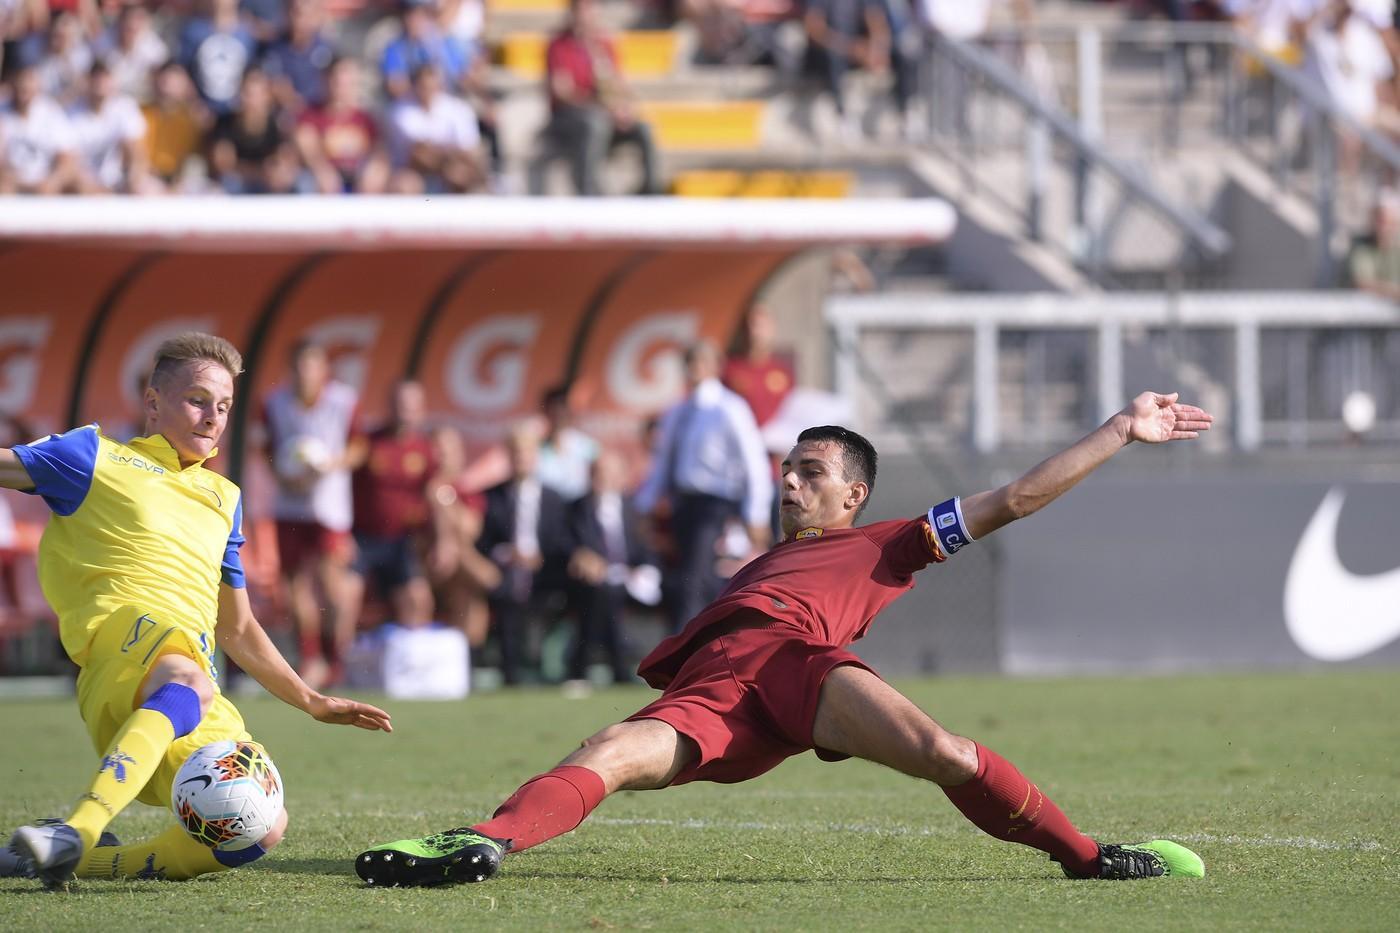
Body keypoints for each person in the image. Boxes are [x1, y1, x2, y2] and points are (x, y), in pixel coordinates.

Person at [356, 391, 1214, 888]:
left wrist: (1118, 429)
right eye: (787, 470)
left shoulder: (886, 542)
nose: (791, 482)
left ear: (854, 496)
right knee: (611, 748)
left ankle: (1090, 857)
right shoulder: (761, 559)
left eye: (812, 472)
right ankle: (480, 839)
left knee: (943, 751)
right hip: (718, 694)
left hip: (800, 666)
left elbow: (1018, 498)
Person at [0, 332, 390, 888]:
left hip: (186, 683)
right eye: (198, 400)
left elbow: (236, 626)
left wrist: (311, 700)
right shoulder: (94, 456)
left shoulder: (224, 497)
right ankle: (80, 827)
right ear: (153, 402)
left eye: (225, 406)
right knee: (187, 673)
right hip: (120, 646)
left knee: (259, 826)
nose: (213, 417)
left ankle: (62, 857)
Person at [634, 339, 773, 634]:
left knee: (694, 577)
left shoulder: (730, 409)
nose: (694, 370)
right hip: (683, 503)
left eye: (700, 362)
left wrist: (756, 513)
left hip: (715, 502)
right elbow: (663, 466)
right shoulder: (677, 412)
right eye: (690, 363)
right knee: (696, 575)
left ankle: (685, 648)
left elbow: (754, 463)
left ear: (714, 367)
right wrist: (644, 506)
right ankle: (712, 641)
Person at [262, 338, 365, 690]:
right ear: (291, 369)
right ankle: (311, 659)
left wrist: (330, 464)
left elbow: (358, 448)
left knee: (331, 584)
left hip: (329, 507)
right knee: (295, 587)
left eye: (314, 365)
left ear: (324, 370)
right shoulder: (274, 403)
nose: (307, 373)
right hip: (290, 505)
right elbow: (267, 449)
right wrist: (284, 473)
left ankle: (336, 659)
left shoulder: (343, 402)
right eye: (300, 366)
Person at [476, 422, 571, 685]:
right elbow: (484, 542)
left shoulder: (553, 499)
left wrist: (540, 557)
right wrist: (507, 553)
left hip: (545, 572)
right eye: (516, 454)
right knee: (508, 593)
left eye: (527, 454)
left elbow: (561, 540)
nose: (522, 460)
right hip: (506, 570)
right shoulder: (492, 496)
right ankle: (511, 672)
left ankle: (555, 668)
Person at [538, 0, 659, 196]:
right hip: (569, 117)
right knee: (596, 123)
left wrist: (624, 109)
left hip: (603, 112)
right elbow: (561, 91)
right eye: (582, 11)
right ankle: (589, 192)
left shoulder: (603, 45)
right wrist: (601, 106)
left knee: (643, 128)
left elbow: (619, 85)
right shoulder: (559, 44)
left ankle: (651, 192)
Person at [565, 449, 658, 687]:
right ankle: (616, 664)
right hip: (594, 581)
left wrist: (641, 570)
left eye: (606, 473)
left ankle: (587, 662)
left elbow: (645, 551)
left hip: (630, 578)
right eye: (596, 473)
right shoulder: (578, 509)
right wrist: (582, 557)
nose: (601, 479)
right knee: (603, 593)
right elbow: (570, 545)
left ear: (620, 477)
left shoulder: (633, 510)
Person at [350, 380, 437, 630]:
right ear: (389, 406)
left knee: (418, 599)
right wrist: (344, 534)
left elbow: (435, 495)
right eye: (400, 405)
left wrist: (442, 540)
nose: (405, 412)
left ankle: (414, 663)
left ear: (422, 410)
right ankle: (340, 662)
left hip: (403, 542)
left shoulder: (426, 449)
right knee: (345, 594)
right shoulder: (368, 442)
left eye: (411, 406)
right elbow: (342, 488)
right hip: (363, 539)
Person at [294, 55, 390, 193]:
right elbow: (307, 146)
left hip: (359, 178)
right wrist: (322, 170)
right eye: (338, 80)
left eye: (348, 81)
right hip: (325, 179)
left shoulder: (366, 119)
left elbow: (380, 152)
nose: (342, 86)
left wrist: (374, 170)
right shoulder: (310, 116)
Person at [386, 62, 486, 193]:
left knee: (461, 174)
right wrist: (447, 158)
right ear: (415, 86)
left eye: (433, 86)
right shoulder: (401, 112)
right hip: (412, 171)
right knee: (406, 184)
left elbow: (468, 150)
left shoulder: (458, 109)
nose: (428, 91)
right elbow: (419, 154)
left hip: (453, 167)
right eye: (424, 87)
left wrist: (447, 160)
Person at [208, 65, 299, 194]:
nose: (250, 100)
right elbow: (223, 165)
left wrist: (277, 171)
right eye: (247, 93)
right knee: (230, 182)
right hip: (241, 182)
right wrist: (259, 172)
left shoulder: (278, 125)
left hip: (269, 182)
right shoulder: (224, 123)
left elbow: (286, 161)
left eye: (257, 94)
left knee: (298, 181)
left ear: (267, 97)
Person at [70, 60, 153, 194]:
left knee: (145, 189)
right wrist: (92, 189)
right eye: (96, 77)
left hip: (118, 184)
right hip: (83, 186)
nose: (100, 82)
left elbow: (136, 152)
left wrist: (133, 180)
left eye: (105, 77)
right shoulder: (72, 113)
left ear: (113, 81)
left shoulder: (125, 107)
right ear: (87, 81)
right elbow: (69, 161)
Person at [0, 63, 81, 194]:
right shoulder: (2, 111)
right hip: (10, 181)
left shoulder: (50, 112)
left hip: (44, 183)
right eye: (20, 83)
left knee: (76, 182)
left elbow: (67, 157)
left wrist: (52, 181)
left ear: (37, 87)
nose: (23, 88)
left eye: (28, 84)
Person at [535, 384, 599, 503]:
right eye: (553, 409)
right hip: (549, 508)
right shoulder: (536, 448)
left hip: (578, 508)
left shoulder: (587, 446)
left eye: (563, 408)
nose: (559, 414)